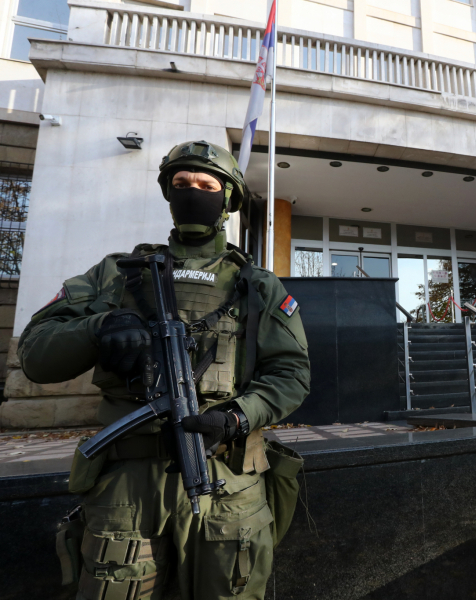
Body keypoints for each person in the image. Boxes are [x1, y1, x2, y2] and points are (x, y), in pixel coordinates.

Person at [18, 141, 310, 600]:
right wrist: (101, 326)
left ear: (228, 199)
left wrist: (235, 417)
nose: (193, 192)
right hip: (127, 483)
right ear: (167, 194)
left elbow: (291, 374)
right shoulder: (115, 274)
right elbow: (35, 355)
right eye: (181, 184)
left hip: (226, 478)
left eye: (206, 185)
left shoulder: (257, 285)